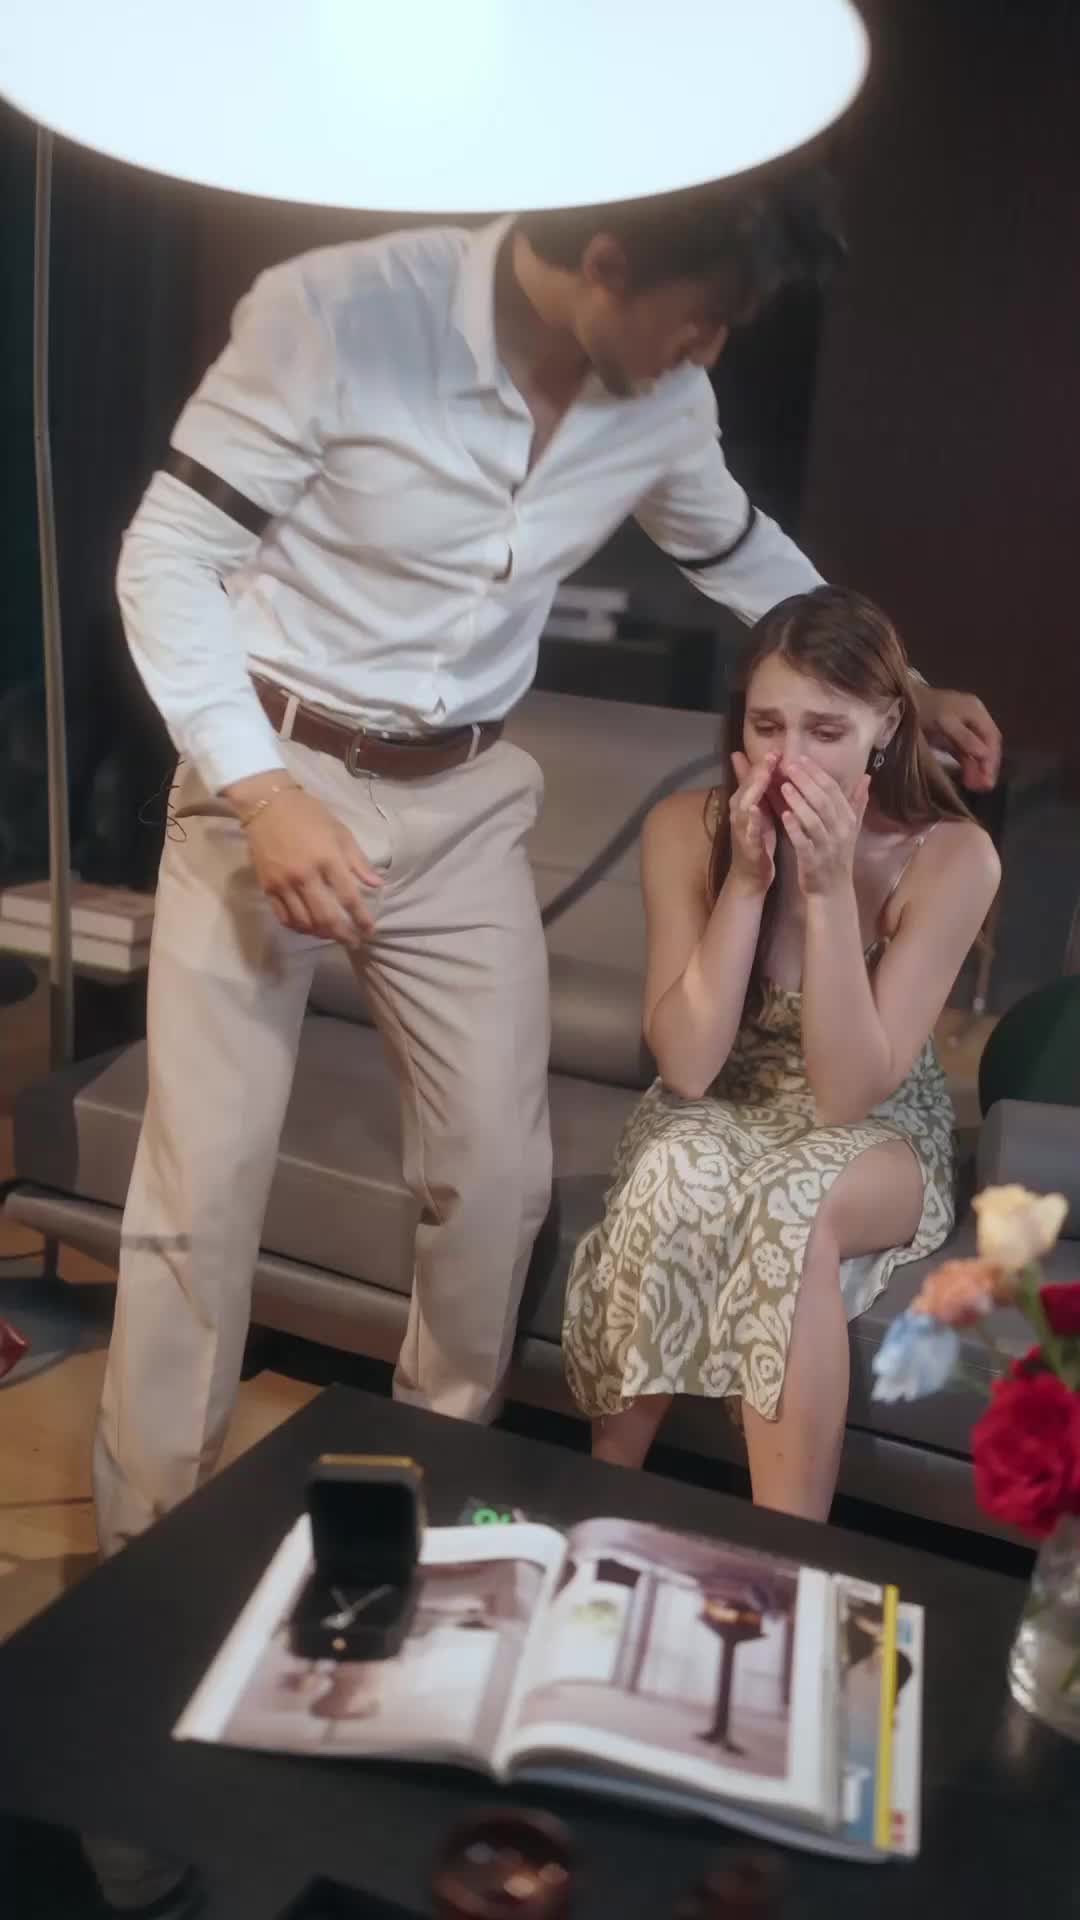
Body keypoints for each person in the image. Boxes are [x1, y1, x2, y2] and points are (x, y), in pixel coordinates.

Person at [94, 173, 1001, 1557]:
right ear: (606, 262)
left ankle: (427, 1510)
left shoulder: (663, 404)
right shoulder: (337, 314)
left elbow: (741, 552)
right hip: (267, 773)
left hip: (461, 800)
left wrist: (907, 690)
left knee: (495, 1187)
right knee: (203, 1184)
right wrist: (261, 792)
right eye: (702, 318)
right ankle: (147, 1547)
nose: (709, 352)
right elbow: (166, 556)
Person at [563, 586, 1001, 1521]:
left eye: (826, 731)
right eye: (768, 726)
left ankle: (789, 1550)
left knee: (795, 1200)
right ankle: (601, 1503)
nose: (790, 759)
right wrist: (750, 882)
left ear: (887, 727)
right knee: (674, 1166)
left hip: (876, 1121)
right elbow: (687, 1068)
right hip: (726, 1092)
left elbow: (846, 1094)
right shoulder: (683, 827)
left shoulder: (954, 857)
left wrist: (831, 892)